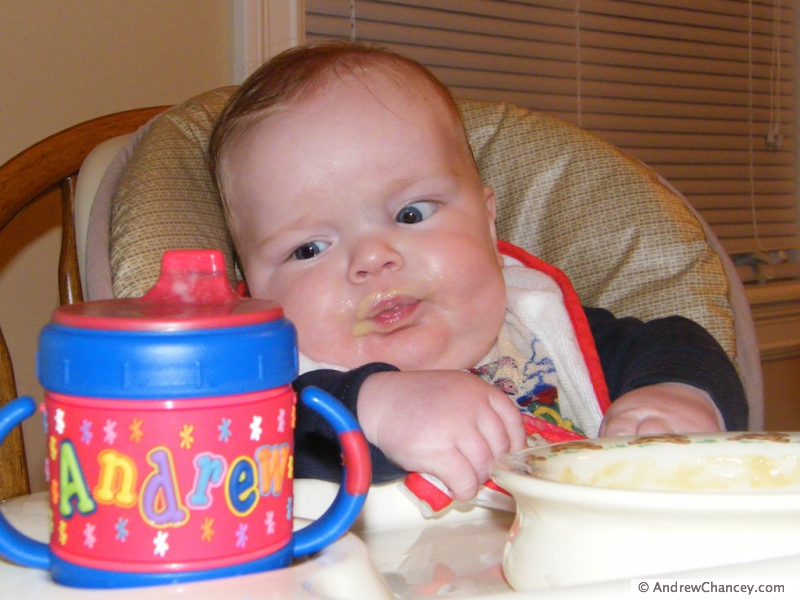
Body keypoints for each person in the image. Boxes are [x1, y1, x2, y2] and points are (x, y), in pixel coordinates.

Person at [208, 41, 748, 503]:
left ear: (489, 224)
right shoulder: (270, 398)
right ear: (253, 291)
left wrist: (677, 396)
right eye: (309, 249)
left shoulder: (538, 327)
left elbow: (679, 343)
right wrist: (370, 409)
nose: (372, 258)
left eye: (411, 214)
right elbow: (232, 449)